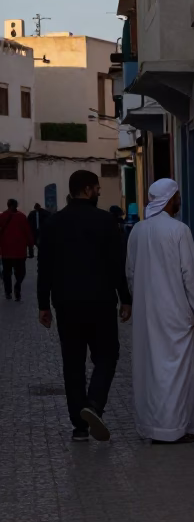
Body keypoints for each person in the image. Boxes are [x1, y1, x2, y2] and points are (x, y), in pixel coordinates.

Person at [37, 171, 133, 442]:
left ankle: (79, 425)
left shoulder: (53, 223)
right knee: (107, 355)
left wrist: (43, 304)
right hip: (100, 302)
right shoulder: (106, 221)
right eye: (98, 188)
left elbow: (44, 266)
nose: (100, 192)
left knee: (73, 362)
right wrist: (125, 298)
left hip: (66, 305)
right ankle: (94, 404)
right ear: (88, 189)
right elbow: (117, 264)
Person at [127, 178, 194, 445]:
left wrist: (140, 301)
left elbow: (130, 273)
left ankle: (154, 426)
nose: (179, 200)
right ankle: (172, 429)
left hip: (146, 314)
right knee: (175, 371)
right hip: (174, 312)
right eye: (177, 196)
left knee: (152, 368)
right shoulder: (179, 230)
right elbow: (190, 275)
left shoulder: (137, 230)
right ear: (170, 198)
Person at [1, 199, 35, 300]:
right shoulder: (22, 217)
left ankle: (8, 292)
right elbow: (28, 232)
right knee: (21, 273)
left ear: (8, 205)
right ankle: (17, 286)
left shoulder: (2, 217)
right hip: (20, 252)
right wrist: (30, 246)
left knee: (7, 273)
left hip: (6, 251)